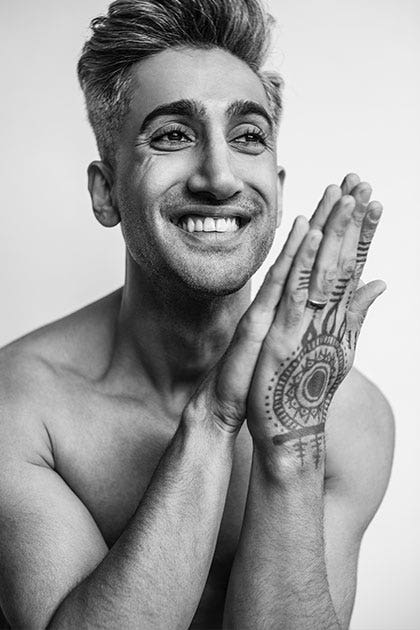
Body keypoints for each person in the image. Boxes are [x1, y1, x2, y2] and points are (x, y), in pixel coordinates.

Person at [0, 0, 394, 628]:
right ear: (107, 191)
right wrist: (214, 419)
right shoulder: (19, 406)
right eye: (173, 136)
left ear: (277, 184)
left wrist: (289, 449)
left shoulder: (347, 418)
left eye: (247, 138)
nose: (219, 175)